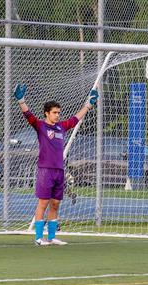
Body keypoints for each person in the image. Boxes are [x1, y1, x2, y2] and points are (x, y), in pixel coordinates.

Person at [14, 83, 98, 246]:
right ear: (47, 113)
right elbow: (28, 115)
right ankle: (39, 238)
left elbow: (75, 119)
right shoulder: (40, 126)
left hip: (60, 171)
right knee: (43, 203)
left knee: (56, 204)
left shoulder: (61, 127)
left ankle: (51, 237)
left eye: (59, 112)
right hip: (46, 171)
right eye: (54, 113)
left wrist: (88, 105)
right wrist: (21, 100)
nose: (57, 115)